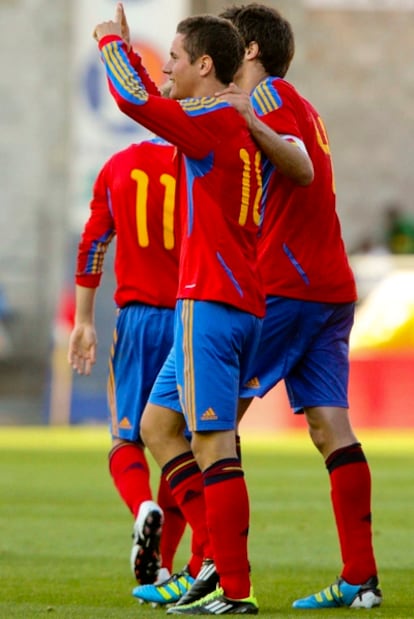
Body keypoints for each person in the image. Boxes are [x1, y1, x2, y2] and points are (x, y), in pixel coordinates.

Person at [93, 4, 265, 615]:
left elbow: (134, 103)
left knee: (215, 444)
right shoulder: (231, 121)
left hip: (212, 304)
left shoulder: (215, 118)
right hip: (230, 299)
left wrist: (112, 42)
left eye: (172, 58)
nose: (164, 66)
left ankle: (233, 587)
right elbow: (161, 103)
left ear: (204, 65)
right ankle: (212, 561)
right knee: (158, 428)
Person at [214, 4, 381, 611]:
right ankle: (361, 578)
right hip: (329, 285)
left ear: (251, 50)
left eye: (232, 45)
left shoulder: (267, 101)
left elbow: (298, 167)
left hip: (290, 285)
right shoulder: (302, 103)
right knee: (328, 425)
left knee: (211, 422)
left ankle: (216, 575)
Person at [67, 135, 195, 588]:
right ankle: (164, 562)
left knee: (126, 439)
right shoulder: (198, 156)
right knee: (185, 446)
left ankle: (143, 508)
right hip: (191, 318)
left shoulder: (118, 164)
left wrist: (84, 320)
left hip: (137, 321)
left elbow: (93, 242)